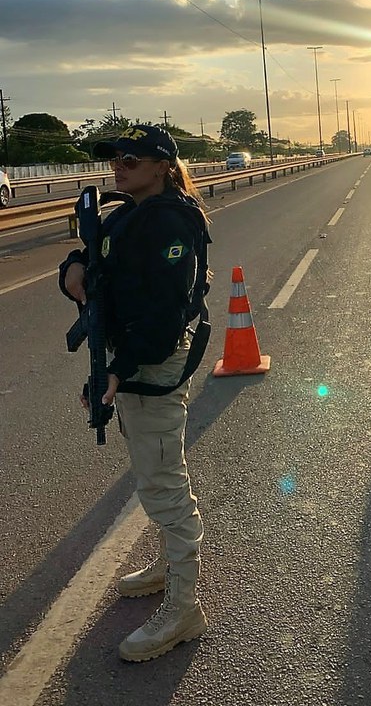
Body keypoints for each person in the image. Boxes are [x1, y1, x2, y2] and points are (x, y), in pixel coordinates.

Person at [59, 124, 212, 662]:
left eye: (131, 160)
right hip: (129, 359)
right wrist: (73, 267)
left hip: (150, 363)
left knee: (164, 483)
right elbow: (93, 259)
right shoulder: (126, 214)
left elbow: (164, 319)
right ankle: (168, 568)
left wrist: (117, 372)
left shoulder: (169, 221)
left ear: (162, 167)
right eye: (115, 159)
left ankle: (184, 608)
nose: (118, 167)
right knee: (152, 471)